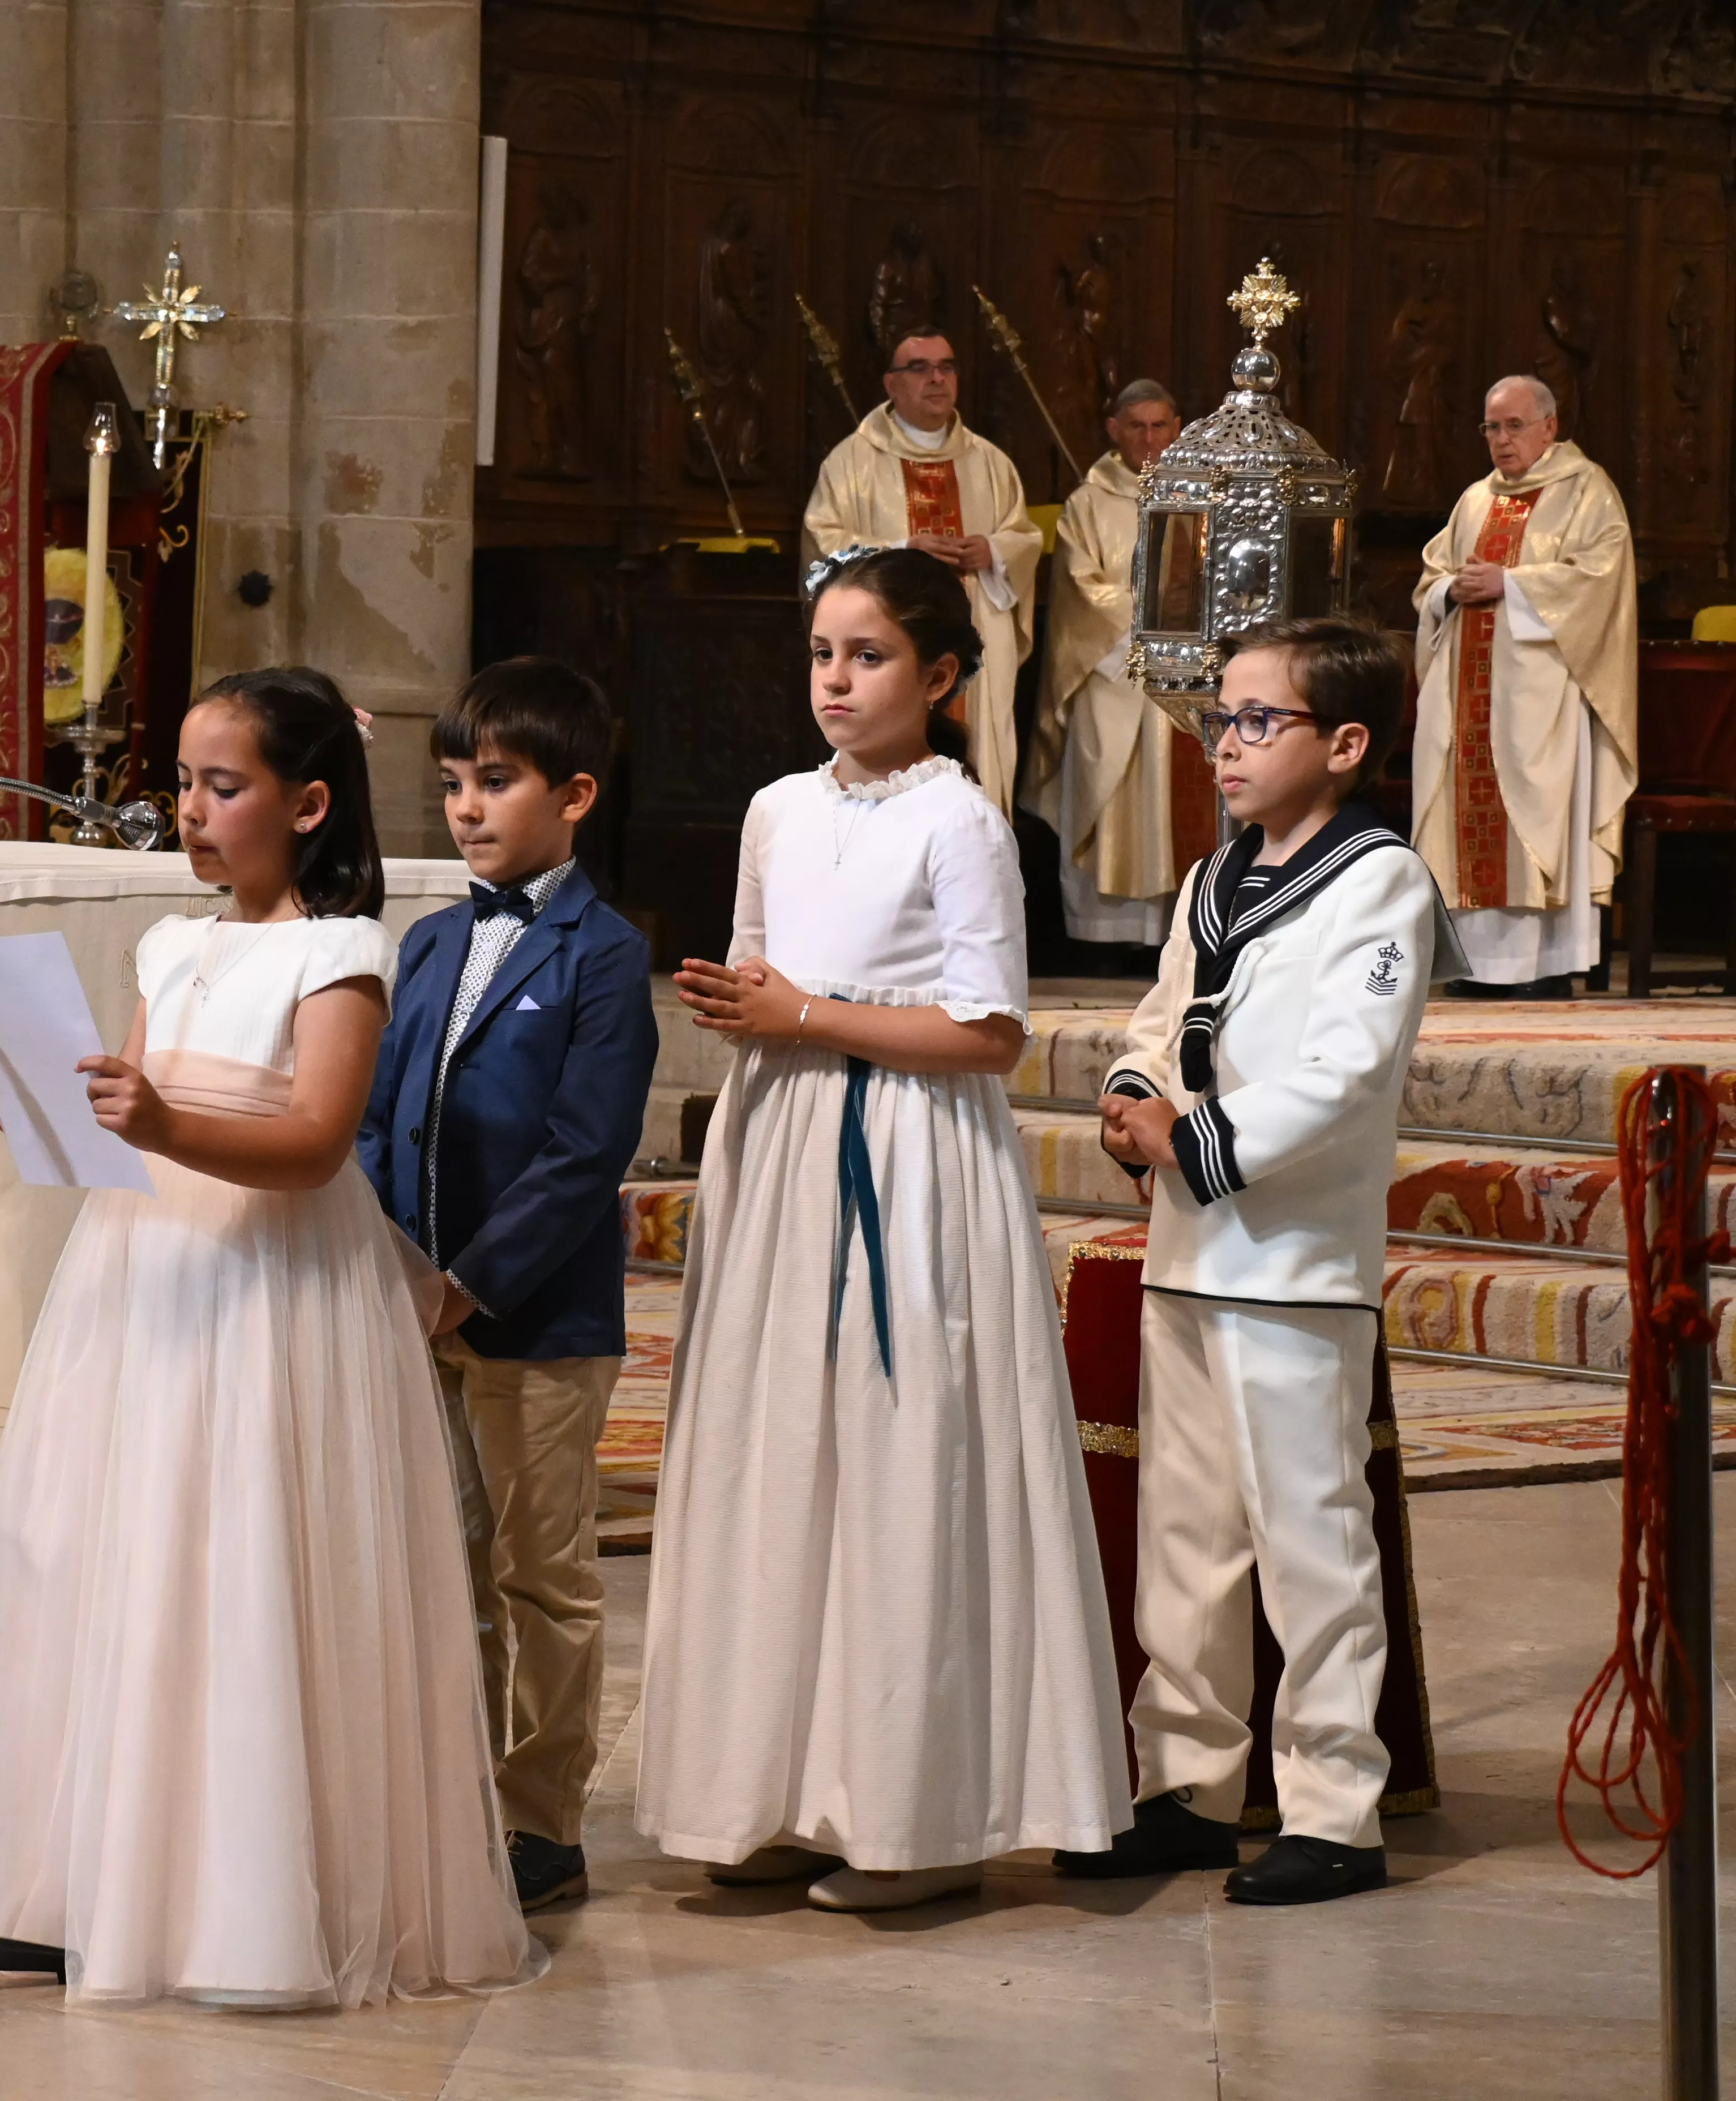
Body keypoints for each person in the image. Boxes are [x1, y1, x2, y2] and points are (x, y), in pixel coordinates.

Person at [0, 666, 538, 2008]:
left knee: (243, 1559)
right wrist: (9, 1101)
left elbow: (312, 1144)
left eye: (223, 786)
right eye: (183, 784)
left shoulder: (343, 956)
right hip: (145, 1280)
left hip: (272, 1287)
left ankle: (246, 1900)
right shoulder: (169, 946)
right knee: (134, 1554)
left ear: (306, 804)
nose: (192, 812)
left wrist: (154, 1123)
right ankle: (116, 1869)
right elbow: (124, 1127)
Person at [634, 546, 1129, 1913]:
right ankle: (780, 1790)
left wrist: (804, 1017)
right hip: (782, 1143)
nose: (836, 681)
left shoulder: (960, 823)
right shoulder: (777, 807)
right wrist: (743, 1008)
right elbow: (761, 969)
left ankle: (917, 1813)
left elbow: (985, 1033)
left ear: (942, 676)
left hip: (902, 1155)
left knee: (900, 1455)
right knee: (779, 1448)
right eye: (819, 655)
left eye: (866, 656)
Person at [1059, 617, 1459, 1907]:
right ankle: (1186, 1784)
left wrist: (1194, 1137)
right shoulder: (1209, 878)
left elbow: (1342, 1070)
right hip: (1188, 1246)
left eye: (1254, 720)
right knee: (1188, 1538)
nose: (1224, 743)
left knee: (1307, 1536)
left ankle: (1335, 1804)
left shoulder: (1379, 881)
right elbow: (1161, 1013)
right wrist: (1134, 1095)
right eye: (1219, 718)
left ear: (1342, 743)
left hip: (1289, 1257)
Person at [356, 656, 657, 1915]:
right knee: (448, 1562)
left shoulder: (603, 955)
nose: (468, 808)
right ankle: (456, 1788)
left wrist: (468, 1283)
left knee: (542, 1574)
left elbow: (583, 1153)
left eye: (497, 782)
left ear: (574, 794)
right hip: (416, 1303)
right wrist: (386, 1255)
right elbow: (375, 1115)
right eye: (453, 785)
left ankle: (544, 1821)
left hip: (537, 1317)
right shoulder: (427, 940)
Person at [1412, 374, 1636, 997]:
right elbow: (1433, 574)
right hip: (1468, 693)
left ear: (1549, 426)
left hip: (1539, 703)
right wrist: (1446, 591)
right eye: (1491, 427)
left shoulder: (1586, 491)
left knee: (1535, 816)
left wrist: (1509, 585)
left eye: (1514, 426)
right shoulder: (1475, 500)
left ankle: (1539, 966)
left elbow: (1600, 578)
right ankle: (1474, 965)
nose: (1502, 440)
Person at [802, 332, 1042, 820]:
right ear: (892, 384)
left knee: (980, 760)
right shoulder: (852, 461)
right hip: (883, 652)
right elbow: (822, 543)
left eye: (947, 367)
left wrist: (993, 551)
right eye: (921, 368)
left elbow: (1024, 537)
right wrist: (902, 550)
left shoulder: (991, 462)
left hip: (975, 637)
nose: (937, 378)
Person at [1037, 380, 1189, 949]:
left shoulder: (1205, 494)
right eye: (1136, 427)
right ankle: (1107, 936)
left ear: (1178, 427)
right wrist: (1155, 614)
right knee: (1112, 790)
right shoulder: (1088, 502)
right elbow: (1081, 595)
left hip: (1189, 681)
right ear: (1113, 431)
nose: (1149, 439)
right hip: (1113, 676)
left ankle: (1179, 931)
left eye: (1160, 426)